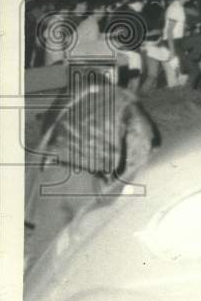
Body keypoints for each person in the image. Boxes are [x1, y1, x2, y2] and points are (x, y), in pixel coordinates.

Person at [25, 65, 157, 267]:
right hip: (86, 179)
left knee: (43, 252)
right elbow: (143, 141)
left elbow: (47, 131)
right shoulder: (123, 100)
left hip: (53, 174)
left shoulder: (70, 97)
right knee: (95, 245)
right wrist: (129, 181)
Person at [164, 0, 201, 90]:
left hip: (179, 40)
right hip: (172, 41)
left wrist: (187, 28)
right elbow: (169, 31)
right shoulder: (175, 8)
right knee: (192, 70)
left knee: (200, 39)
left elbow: (177, 26)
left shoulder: (179, 7)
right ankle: (185, 91)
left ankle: (190, 61)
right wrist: (172, 50)